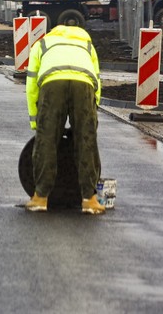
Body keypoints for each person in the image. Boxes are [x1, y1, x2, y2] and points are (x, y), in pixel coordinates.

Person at [24, 25, 106, 215]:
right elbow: (97, 83)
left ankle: (40, 198)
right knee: (86, 141)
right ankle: (89, 200)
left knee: (47, 140)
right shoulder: (87, 46)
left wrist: (36, 121)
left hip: (52, 84)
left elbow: (31, 86)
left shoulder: (42, 44)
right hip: (83, 85)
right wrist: (92, 114)